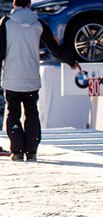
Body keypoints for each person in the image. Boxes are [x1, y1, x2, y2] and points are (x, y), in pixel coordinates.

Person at [0, 0, 81, 162]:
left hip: (11, 79)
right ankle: (32, 151)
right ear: (30, 4)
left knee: (13, 113)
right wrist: (72, 62)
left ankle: (17, 151)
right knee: (31, 113)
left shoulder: (6, 23)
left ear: (14, 4)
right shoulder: (38, 23)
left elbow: (0, 51)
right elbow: (54, 47)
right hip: (31, 79)